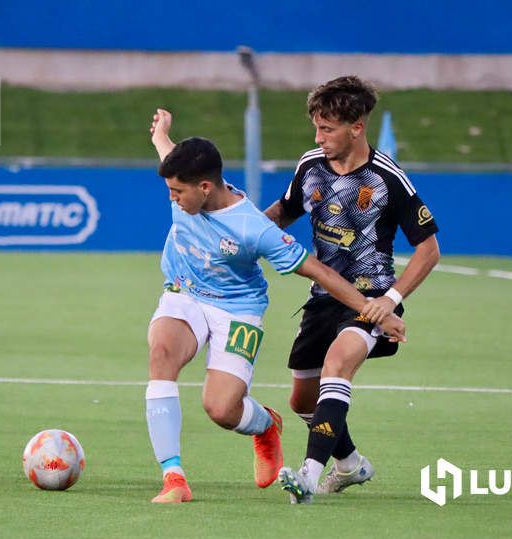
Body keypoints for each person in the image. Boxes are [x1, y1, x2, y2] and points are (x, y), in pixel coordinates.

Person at [144, 108, 405, 504]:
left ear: (204, 187)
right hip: (184, 293)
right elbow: (166, 151)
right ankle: (174, 478)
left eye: (178, 193)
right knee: (161, 352)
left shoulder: (255, 229)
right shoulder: (183, 183)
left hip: (238, 309)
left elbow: (321, 273)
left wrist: (373, 310)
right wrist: (162, 132)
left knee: (220, 409)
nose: (172, 201)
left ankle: (267, 426)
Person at [264, 76, 440, 504]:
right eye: (317, 128)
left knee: (337, 364)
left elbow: (429, 250)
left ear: (356, 128)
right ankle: (349, 464)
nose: (318, 137)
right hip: (323, 298)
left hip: (370, 299)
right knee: (302, 400)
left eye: (327, 129)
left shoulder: (388, 178)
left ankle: (307, 475)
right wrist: (241, 233)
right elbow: (283, 213)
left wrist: (390, 300)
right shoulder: (310, 165)